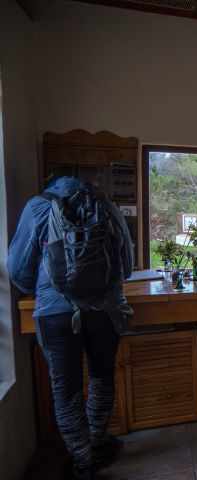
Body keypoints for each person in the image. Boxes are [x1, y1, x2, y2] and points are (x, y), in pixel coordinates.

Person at [8, 176, 134, 480]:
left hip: (56, 312)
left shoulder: (38, 207)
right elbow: (126, 265)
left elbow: (18, 269)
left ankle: (82, 461)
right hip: (106, 310)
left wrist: (46, 288)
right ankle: (97, 440)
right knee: (102, 377)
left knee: (67, 389)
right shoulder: (106, 206)